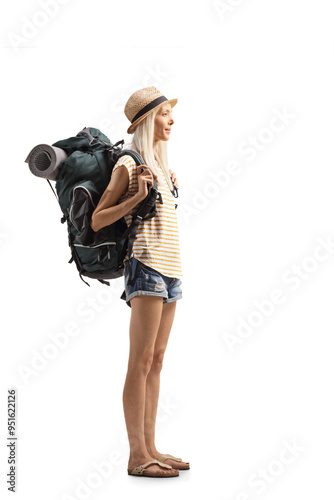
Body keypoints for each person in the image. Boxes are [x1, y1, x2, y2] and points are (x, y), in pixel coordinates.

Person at [90, 86, 189, 478]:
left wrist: (162, 182)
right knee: (141, 360)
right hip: (145, 266)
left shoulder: (162, 166)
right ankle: (137, 456)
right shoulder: (129, 164)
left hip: (172, 269)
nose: (172, 120)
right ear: (149, 121)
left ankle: (152, 448)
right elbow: (98, 219)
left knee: (158, 360)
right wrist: (135, 198)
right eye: (165, 113)